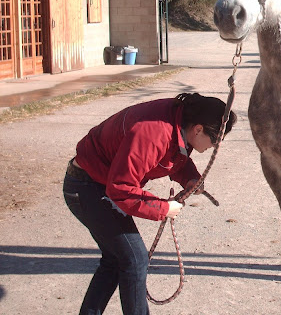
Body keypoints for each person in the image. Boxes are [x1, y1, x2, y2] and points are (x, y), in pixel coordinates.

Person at [63, 92, 237, 315]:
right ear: (198, 129)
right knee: (135, 259)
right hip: (88, 186)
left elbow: (174, 154)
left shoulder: (179, 121)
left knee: (116, 259)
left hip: (98, 183)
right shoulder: (154, 132)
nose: (214, 147)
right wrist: (164, 208)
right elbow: (120, 188)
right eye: (215, 141)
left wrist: (190, 178)